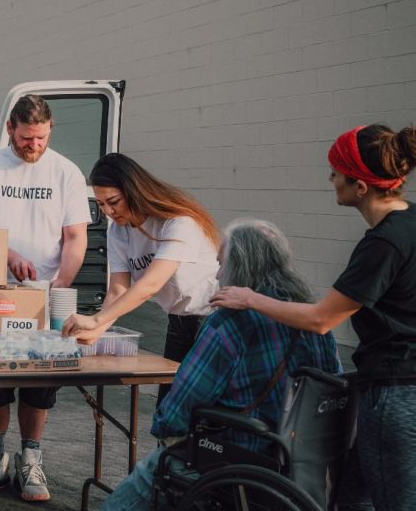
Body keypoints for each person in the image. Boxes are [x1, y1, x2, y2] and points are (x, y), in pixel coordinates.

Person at [210, 124, 416, 511]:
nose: (330, 179)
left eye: (336, 172)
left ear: (361, 187)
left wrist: (250, 298)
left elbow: (322, 319)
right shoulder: (410, 224)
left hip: (397, 391)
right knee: (353, 500)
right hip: (394, 389)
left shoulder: (384, 243)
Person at [102, 218, 342, 511]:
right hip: (298, 465)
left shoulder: (229, 323)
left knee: (144, 479)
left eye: (221, 263)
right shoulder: (313, 321)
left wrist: (165, 430)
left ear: (240, 266)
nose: (216, 274)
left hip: (233, 455)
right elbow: (330, 390)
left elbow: (184, 402)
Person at [0, 94, 91, 502]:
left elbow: (75, 237)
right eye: (25, 139)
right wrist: (11, 256)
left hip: (47, 291)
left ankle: (30, 458)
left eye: (40, 138)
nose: (33, 146)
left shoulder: (66, 172)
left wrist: (60, 285)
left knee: (41, 376)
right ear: (10, 131)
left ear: (50, 130)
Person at [62, 153, 220, 405]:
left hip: (213, 320)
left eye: (114, 201)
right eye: (101, 205)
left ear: (133, 191)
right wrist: (97, 330)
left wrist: (95, 319)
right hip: (179, 319)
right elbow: (118, 289)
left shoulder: (178, 222)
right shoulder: (118, 231)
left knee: (195, 407)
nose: (109, 212)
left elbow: (150, 284)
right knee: (169, 406)